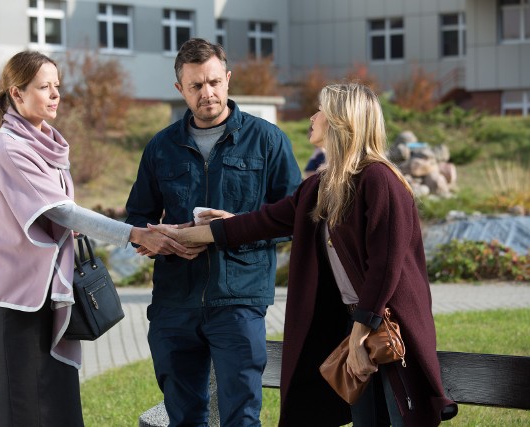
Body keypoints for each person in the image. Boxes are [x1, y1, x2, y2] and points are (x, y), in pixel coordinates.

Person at [151, 84, 458, 426]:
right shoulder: (321, 187)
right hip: (355, 323)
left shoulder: (379, 180)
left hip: (388, 328)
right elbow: (261, 222)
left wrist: (358, 336)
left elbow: (385, 267)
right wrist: (174, 235)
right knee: (367, 420)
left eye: (320, 110)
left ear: (342, 121)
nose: (312, 117)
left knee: (402, 417)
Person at [0, 50, 195, 427]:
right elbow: (61, 211)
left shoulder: (44, 142)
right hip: (17, 297)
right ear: (16, 93)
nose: (55, 95)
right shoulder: (10, 148)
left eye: (57, 86)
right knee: (22, 406)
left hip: (46, 289)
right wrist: (134, 233)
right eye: (44, 87)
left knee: (57, 396)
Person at [125, 38, 302, 426]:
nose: (207, 93)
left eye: (214, 82)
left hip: (238, 299)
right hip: (175, 302)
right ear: (180, 90)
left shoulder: (268, 140)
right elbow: (137, 217)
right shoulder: (161, 147)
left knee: (240, 416)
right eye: (196, 86)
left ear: (228, 79)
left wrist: (237, 227)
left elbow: (294, 217)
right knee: (184, 417)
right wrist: (160, 237)